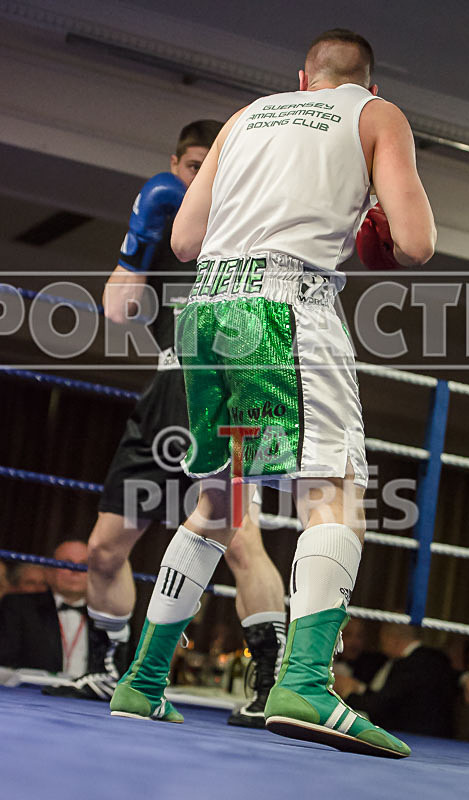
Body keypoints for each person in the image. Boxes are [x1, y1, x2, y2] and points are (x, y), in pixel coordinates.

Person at [110, 28, 435, 759]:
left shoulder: (244, 116)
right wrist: (375, 219)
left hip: (206, 310)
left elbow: (184, 242)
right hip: (287, 306)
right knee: (336, 490)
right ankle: (307, 684)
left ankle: (143, 679)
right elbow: (415, 244)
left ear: (301, 77)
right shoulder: (375, 115)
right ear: (369, 84)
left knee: (217, 503)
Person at [70, 121, 286, 726]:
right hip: (166, 390)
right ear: (175, 166)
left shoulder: (250, 224)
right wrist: (139, 238)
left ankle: (271, 682)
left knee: (240, 540)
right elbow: (117, 311)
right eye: (193, 167)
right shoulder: (168, 231)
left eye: (212, 167)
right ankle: (109, 666)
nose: (200, 180)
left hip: (228, 387)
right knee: (104, 548)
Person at [0, 541, 109, 677]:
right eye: (67, 563)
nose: (75, 571)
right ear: (49, 571)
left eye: (84, 565)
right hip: (33, 689)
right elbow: (5, 661)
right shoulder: (19, 606)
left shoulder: (107, 616)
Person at [336, 621, 456, 737]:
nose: (382, 645)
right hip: (437, 737)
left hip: (418, 738)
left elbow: (381, 705)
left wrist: (346, 694)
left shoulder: (410, 664)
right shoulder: (434, 657)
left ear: (392, 638)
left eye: (382, 639)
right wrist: (359, 688)